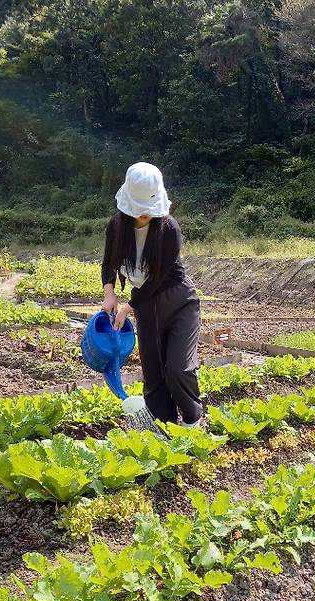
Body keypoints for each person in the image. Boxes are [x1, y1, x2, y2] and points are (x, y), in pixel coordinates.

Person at [101, 162, 203, 426]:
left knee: (178, 369)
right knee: (154, 376)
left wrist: (127, 307)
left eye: (149, 210)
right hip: (147, 307)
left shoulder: (169, 229)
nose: (145, 215)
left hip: (178, 301)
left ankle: (192, 421)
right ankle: (165, 428)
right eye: (139, 210)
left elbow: (157, 280)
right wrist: (109, 293)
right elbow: (108, 262)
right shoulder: (116, 226)